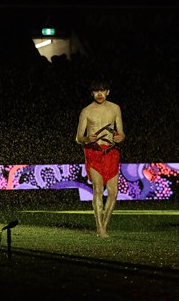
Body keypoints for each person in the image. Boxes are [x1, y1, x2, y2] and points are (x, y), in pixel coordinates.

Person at [75, 80, 125, 238]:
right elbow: (78, 138)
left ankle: (104, 225)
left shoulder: (115, 108)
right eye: (96, 91)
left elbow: (121, 133)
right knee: (98, 189)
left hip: (111, 152)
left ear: (108, 92)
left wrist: (120, 137)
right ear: (92, 94)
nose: (99, 94)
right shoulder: (86, 111)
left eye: (102, 91)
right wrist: (87, 138)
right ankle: (100, 228)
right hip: (93, 151)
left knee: (113, 192)